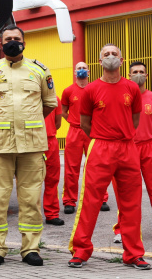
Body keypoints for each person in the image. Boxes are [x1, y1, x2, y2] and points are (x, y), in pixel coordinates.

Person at [0, 26, 56, 267]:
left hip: (31, 146)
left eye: (16, 39)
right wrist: (3, 124)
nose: (12, 42)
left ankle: (30, 249)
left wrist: (27, 123)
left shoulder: (39, 70)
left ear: (24, 42)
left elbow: (49, 103)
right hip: (0, 147)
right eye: (8, 39)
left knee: (31, 199)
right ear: (1, 44)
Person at [68, 44, 150, 271]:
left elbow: (134, 120)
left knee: (131, 203)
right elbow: (85, 124)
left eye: (115, 54)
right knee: (91, 200)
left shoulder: (132, 88)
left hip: (127, 148)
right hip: (100, 148)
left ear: (122, 61)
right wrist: (103, 137)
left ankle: (133, 254)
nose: (111, 57)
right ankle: (81, 250)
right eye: (106, 54)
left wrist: (121, 136)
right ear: (100, 60)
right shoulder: (91, 90)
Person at [112, 61, 152, 242]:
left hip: (150, 147)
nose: (138, 74)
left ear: (146, 76)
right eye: (135, 72)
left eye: (142, 72)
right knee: (126, 191)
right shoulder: (123, 97)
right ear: (129, 75)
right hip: (128, 147)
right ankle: (123, 229)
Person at [61, 63, 109, 214]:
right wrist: (73, 122)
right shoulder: (68, 91)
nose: (81, 70)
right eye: (78, 68)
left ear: (88, 71)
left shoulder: (95, 88)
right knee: (71, 168)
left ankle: (101, 198)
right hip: (74, 132)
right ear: (75, 72)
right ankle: (69, 201)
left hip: (92, 131)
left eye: (84, 68)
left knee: (97, 166)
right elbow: (63, 111)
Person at [43, 93, 64, 226]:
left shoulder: (54, 99)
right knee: (29, 182)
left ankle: (51, 214)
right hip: (31, 143)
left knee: (52, 178)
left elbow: (58, 123)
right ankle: (30, 216)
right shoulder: (26, 98)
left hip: (50, 142)